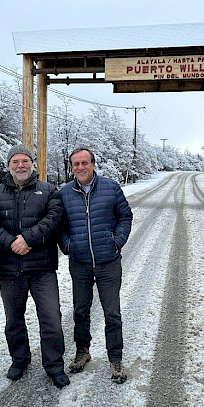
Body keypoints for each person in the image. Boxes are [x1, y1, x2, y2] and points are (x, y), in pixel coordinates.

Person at [0, 144, 69, 389]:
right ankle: (20, 359)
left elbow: (54, 219)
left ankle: (54, 365)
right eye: (15, 162)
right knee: (14, 319)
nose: (20, 166)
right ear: (9, 166)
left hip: (42, 268)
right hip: (10, 268)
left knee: (51, 318)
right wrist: (11, 243)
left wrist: (28, 239)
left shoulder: (48, 190)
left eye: (25, 161)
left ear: (32, 164)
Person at [59, 147, 133, 384]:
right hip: (79, 262)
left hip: (108, 262)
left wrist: (117, 242)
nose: (80, 168)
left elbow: (125, 216)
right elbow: (59, 225)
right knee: (80, 310)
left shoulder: (110, 187)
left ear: (93, 164)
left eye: (84, 163)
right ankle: (83, 351)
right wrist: (68, 245)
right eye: (75, 164)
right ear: (72, 168)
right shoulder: (65, 192)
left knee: (112, 312)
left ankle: (116, 358)